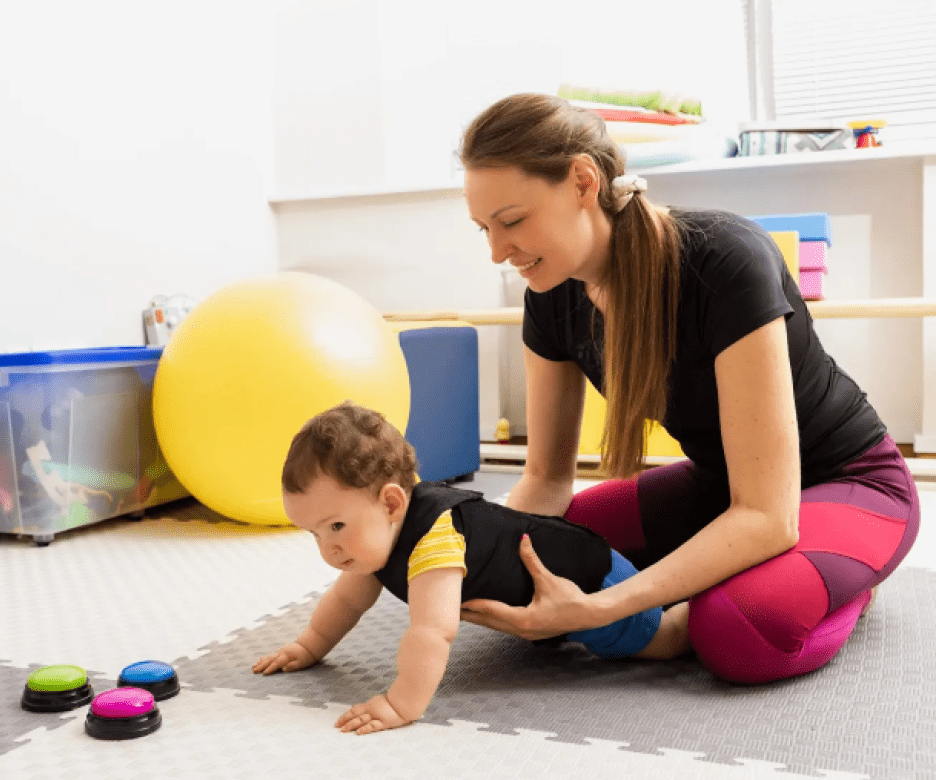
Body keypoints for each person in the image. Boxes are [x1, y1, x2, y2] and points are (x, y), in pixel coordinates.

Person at [457, 92, 920, 684]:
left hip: (849, 483)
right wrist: (458, 555)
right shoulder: (551, 296)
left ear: (582, 181)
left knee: (730, 631)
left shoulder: (725, 260)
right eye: (483, 230)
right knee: (533, 560)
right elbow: (546, 479)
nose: (499, 250)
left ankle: (846, 590)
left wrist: (610, 610)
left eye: (512, 221)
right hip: (722, 489)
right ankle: (761, 581)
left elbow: (767, 516)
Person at [252, 402, 691, 735]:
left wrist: (400, 704)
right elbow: (346, 601)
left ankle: (704, 595)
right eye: (314, 534)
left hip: (590, 584)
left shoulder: (434, 541)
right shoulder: (371, 541)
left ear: (391, 502)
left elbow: (432, 631)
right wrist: (309, 646)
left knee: (663, 640)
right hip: (549, 597)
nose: (327, 548)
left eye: (335, 527)